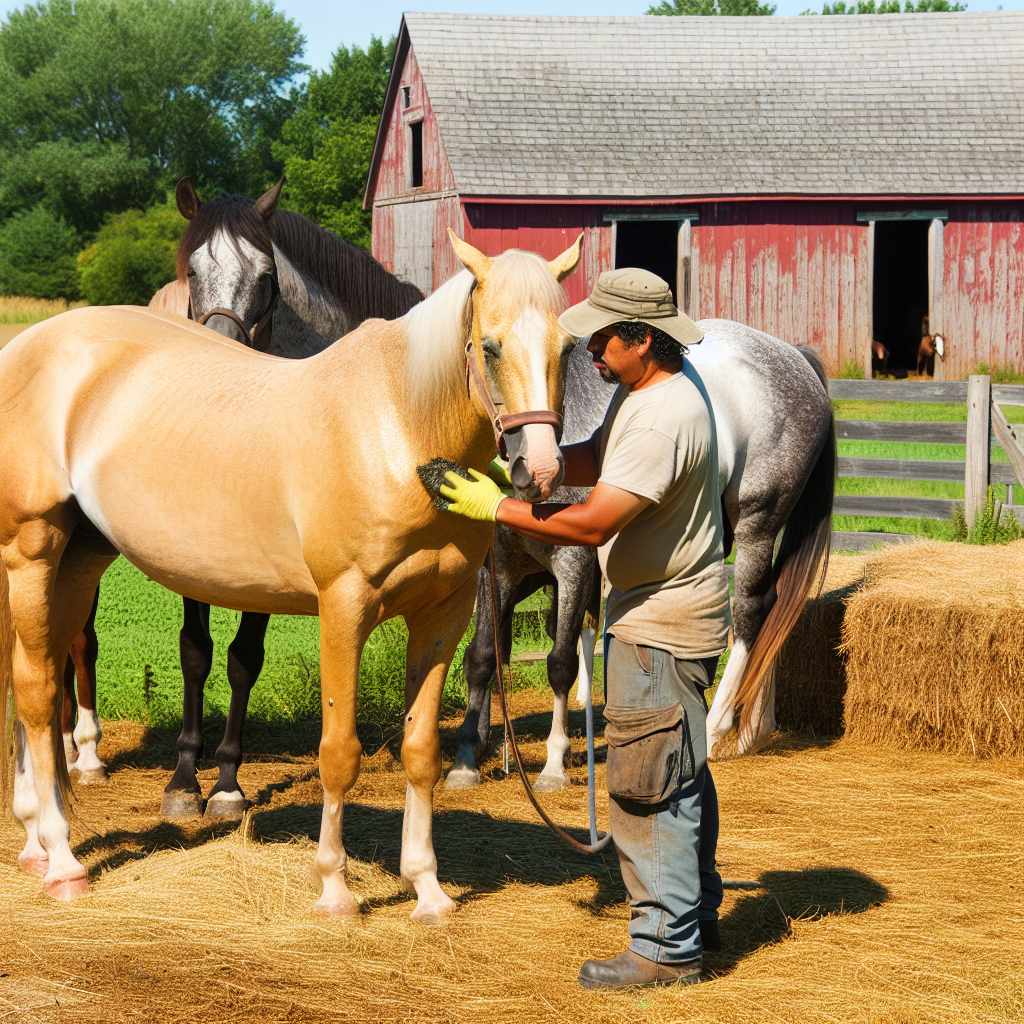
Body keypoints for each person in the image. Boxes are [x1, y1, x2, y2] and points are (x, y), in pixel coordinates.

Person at [439, 267, 732, 991]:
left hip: (660, 623)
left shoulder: (663, 417)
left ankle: (664, 948)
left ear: (642, 339)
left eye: (604, 337)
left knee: (645, 783)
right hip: (674, 613)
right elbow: (596, 460)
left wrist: (496, 511)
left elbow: (594, 521)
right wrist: (526, 473)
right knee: (680, 768)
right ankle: (697, 910)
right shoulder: (651, 391)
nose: (593, 350)